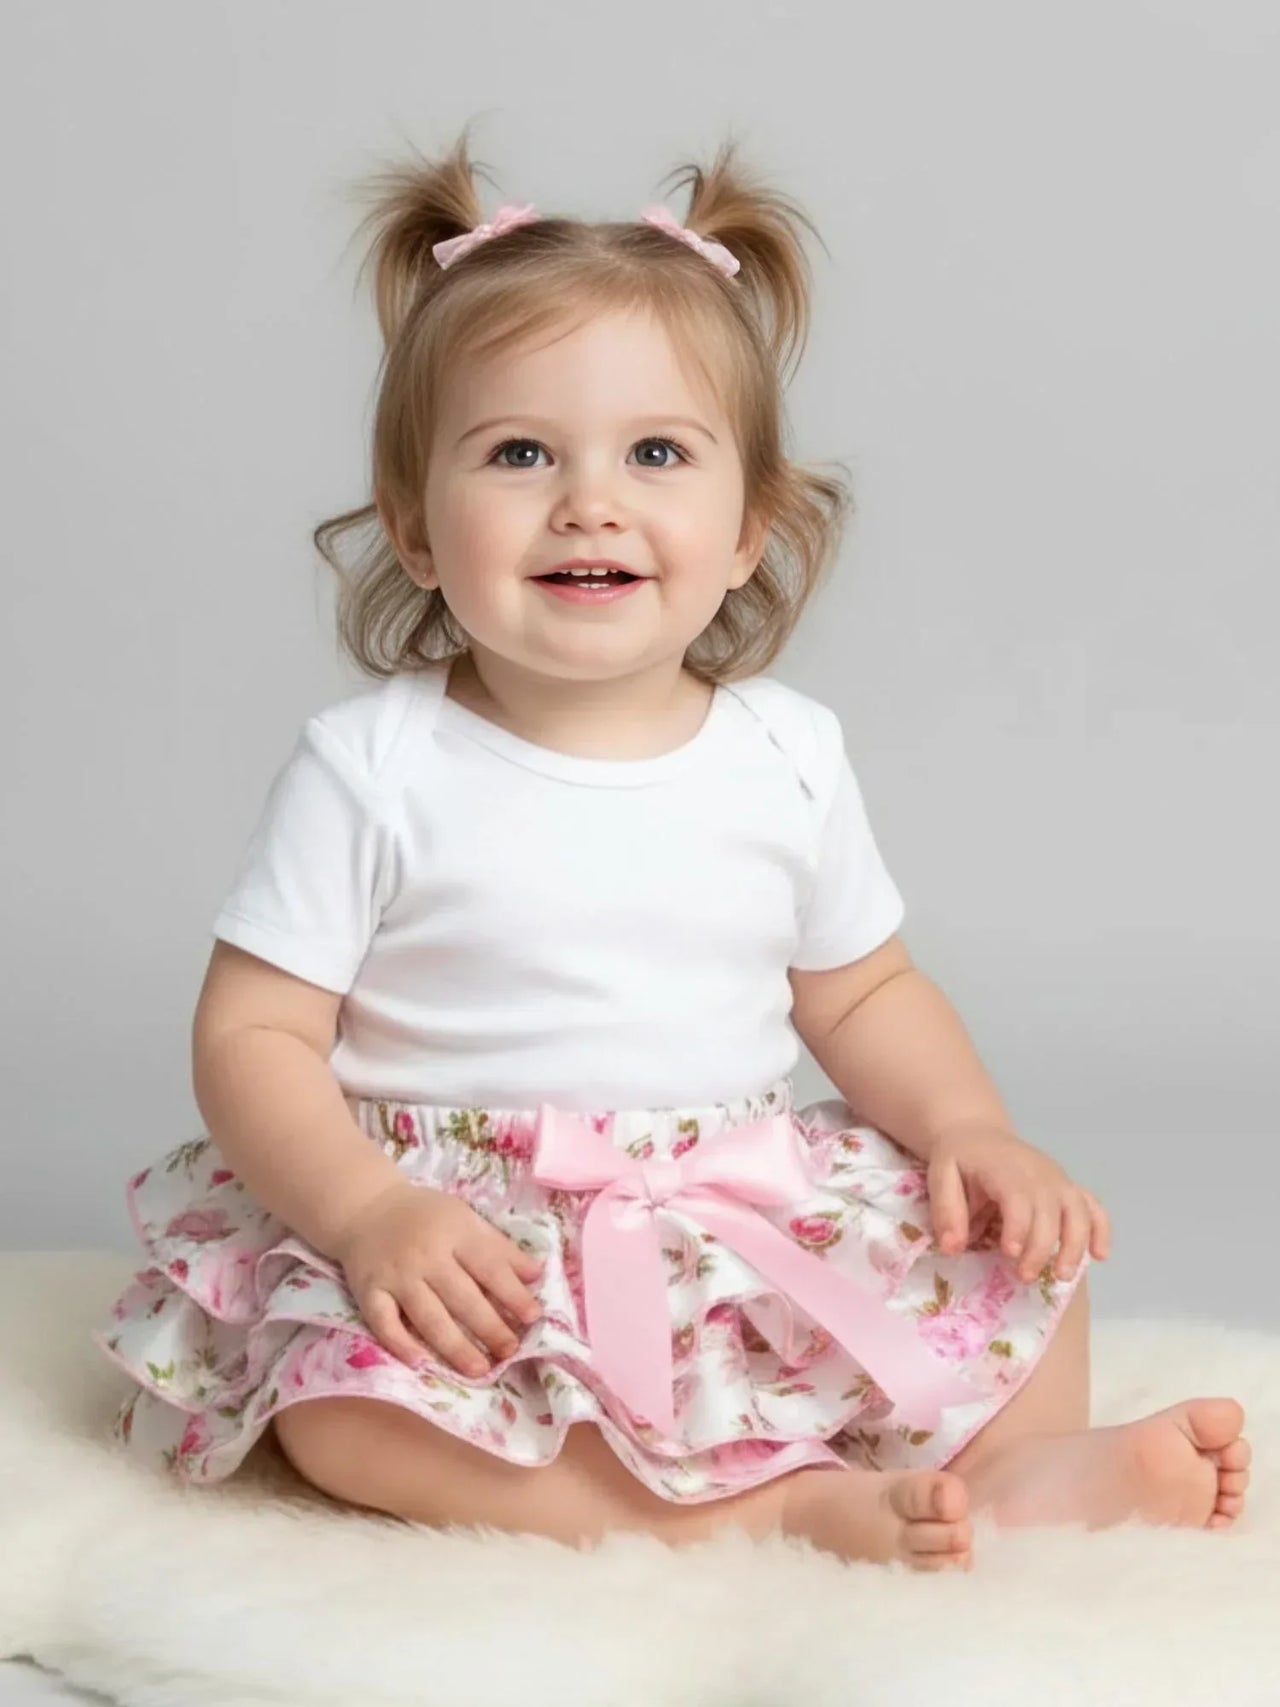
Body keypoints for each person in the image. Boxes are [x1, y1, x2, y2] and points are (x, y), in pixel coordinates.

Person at [93, 127, 1250, 1573]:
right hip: (466, 1230)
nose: (591, 499)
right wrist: (368, 1212)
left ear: (750, 524)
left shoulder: (786, 753)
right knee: (356, 1422)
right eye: (519, 453)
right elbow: (256, 1028)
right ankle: (767, 1513)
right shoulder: (373, 766)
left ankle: (1023, 1477)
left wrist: (968, 1130)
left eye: (657, 453)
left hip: (732, 1192)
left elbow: (865, 993)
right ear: (414, 531)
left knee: (1025, 1264)